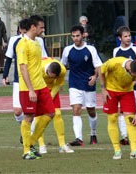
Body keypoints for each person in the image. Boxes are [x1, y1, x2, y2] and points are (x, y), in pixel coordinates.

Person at [16, 15, 55, 160]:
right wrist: (31, 89)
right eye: (41, 27)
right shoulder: (22, 44)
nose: (43, 30)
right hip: (28, 88)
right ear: (33, 27)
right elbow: (23, 68)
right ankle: (27, 151)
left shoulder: (38, 42)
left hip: (41, 85)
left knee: (50, 113)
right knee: (29, 117)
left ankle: (31, 143)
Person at [99, 57, 136, 159]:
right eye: (135, 77)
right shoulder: (114, 63)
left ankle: (134, 151)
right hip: (111, 90)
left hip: (127, 92)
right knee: (112, 119)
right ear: (129, 70)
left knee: (131, 120)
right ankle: (117, 150)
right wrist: (103, 89)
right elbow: (101, 70)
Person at [61, 25, 102, 146]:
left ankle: (93, 133)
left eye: (78, 36)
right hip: (74, 84)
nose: (75, 38)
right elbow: (62, 66)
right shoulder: (67, 50)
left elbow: (98, 66)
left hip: (88, 84)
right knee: (76, 109)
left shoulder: (91, 49)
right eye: (73, 36)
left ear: (83, 35)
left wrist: (95, 77)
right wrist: (60, 81)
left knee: (91, 111)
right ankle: (78, 138)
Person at [113, 26, 136, 146]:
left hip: (135, 87)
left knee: (132, 112)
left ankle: (132, 134)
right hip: (121, 86)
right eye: (125, 36)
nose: (128, 38)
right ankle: (124, 136)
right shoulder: (116, 51)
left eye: (129, 36)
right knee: (121, 110)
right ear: (120, 38)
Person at [36, 57, 74, 154]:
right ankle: (41, 145)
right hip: (39, 88)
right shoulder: (38, 68)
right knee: (40, 116)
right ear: (47, 71)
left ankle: (62, 145)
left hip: (52, 90)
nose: (53, 79)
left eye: (55, 77)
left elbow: (57, 84)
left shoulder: (62, 70)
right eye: (51, 77)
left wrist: (50, 96)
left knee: (57, 114)